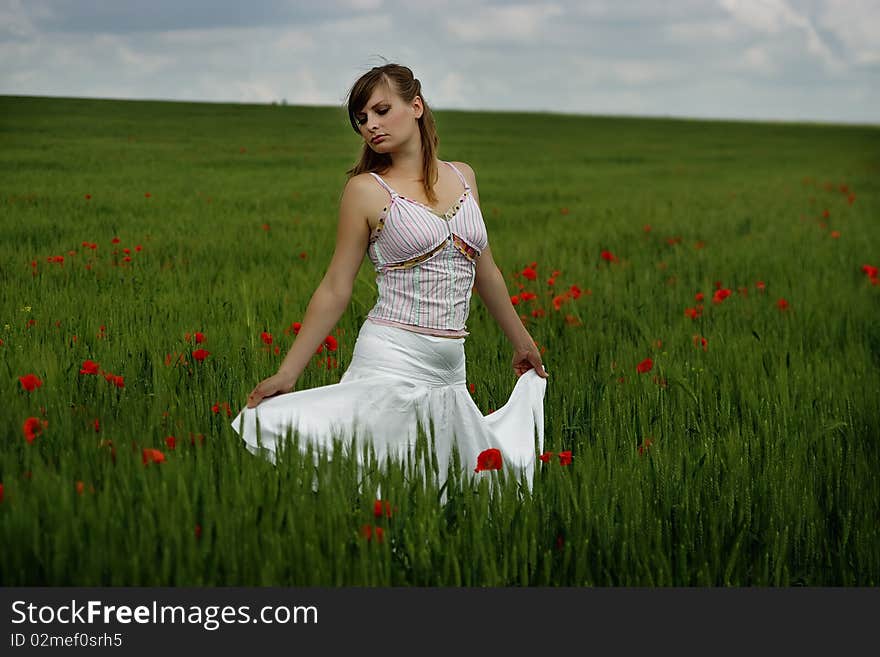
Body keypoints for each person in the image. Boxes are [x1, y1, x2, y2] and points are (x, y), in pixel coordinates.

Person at [231, 63, 548, 498]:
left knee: (449, 494)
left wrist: (522, 341)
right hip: (391, 360)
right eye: (362, 119)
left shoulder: (464, 176)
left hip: (450, 372)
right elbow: (336, 287)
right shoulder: (366, 190)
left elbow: (485, 273)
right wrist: (288, 372)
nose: (371, 125)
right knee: (380, 488)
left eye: (381, 110)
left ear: (416, 106)